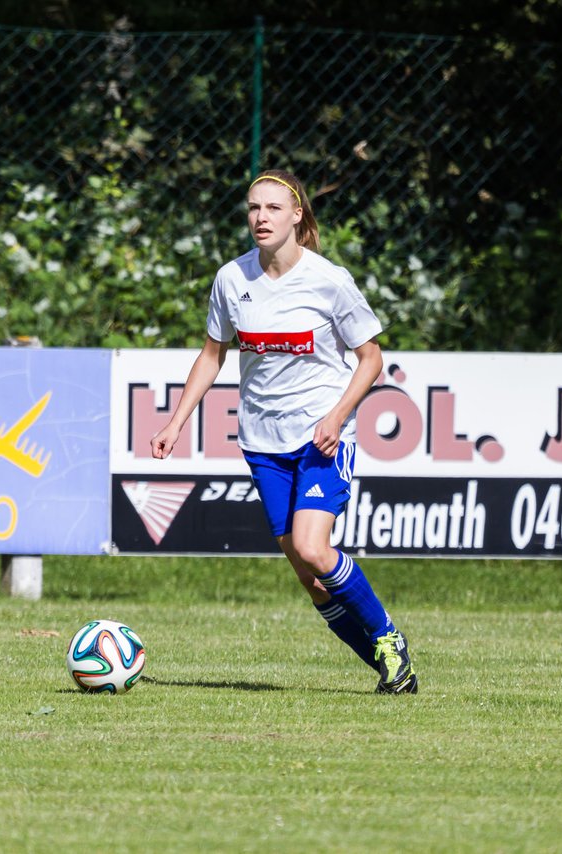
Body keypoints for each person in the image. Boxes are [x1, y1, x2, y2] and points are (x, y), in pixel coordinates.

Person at [150, 169, 417, 694]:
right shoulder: (232, 279)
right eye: (253, 208)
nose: (260, 218)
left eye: (272, 208)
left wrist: (336, 416)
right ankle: (391, 672)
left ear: (297, 215)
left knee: (314, 547)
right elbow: (212, 356)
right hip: (261, 443)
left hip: (321, 438)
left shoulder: (329, 280)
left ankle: (390, 638)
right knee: (310, 578)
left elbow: (370, 359)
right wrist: (175, 421)